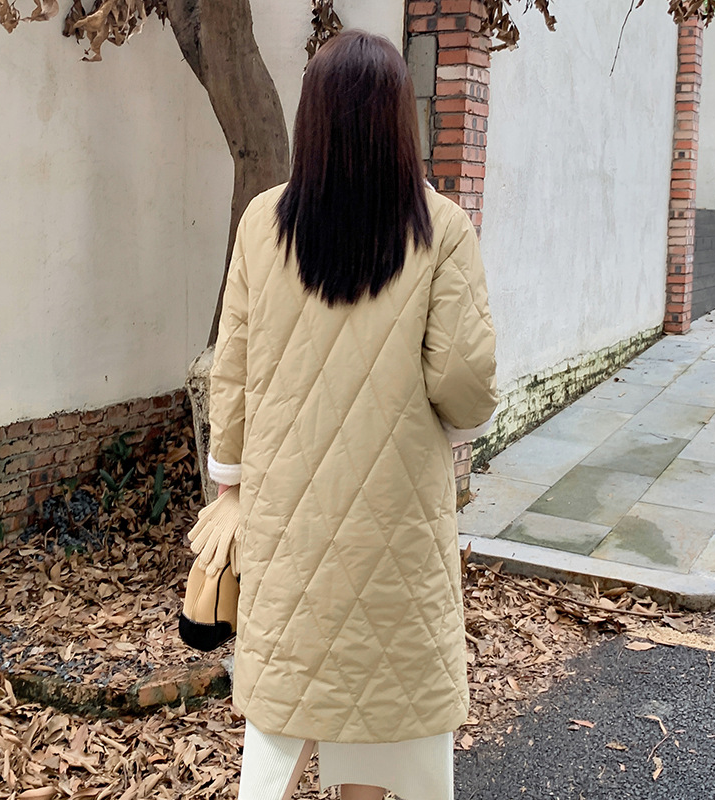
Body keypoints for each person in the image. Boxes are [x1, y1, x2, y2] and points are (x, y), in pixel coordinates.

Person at [207, 28, 498, 800]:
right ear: (400, 120)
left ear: (312, 117)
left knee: (287, 702)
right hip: (396, 516)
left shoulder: (263, 223)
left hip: (288, 514)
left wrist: (229, 477)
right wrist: (450, 424)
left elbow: (231, 370)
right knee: (386, 701)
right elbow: (466, 382)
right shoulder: (440, 228)